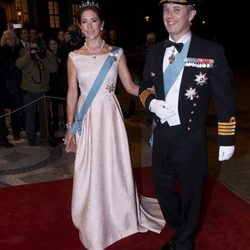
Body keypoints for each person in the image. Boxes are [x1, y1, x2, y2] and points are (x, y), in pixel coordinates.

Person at [63, 1, 165, 249]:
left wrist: (150, 92)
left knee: (114, 163)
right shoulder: (73, 56)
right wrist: (70, 126)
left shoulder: (115, 53)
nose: (89, 26)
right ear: (79, 25)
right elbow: (72, 94)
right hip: (87, 119)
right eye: (84, 21)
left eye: (93, 20)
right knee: (91, 167)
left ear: (102, 24)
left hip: (110, 117)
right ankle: (94, 216)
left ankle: (121, 214)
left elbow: (130, 86)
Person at [138, 0, 236, 250]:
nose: (169, 16)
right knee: (162, 189)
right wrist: (151, 104)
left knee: (192, 193)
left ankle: (183, 243)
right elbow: (143, 89)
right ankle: (182, 228)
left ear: (191, 14)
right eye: (165, 9)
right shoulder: (156, 50)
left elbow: (225, 97)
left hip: (190, 137)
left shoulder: (211, 51)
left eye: (177, 10)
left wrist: (227, 139)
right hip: (161, 135)